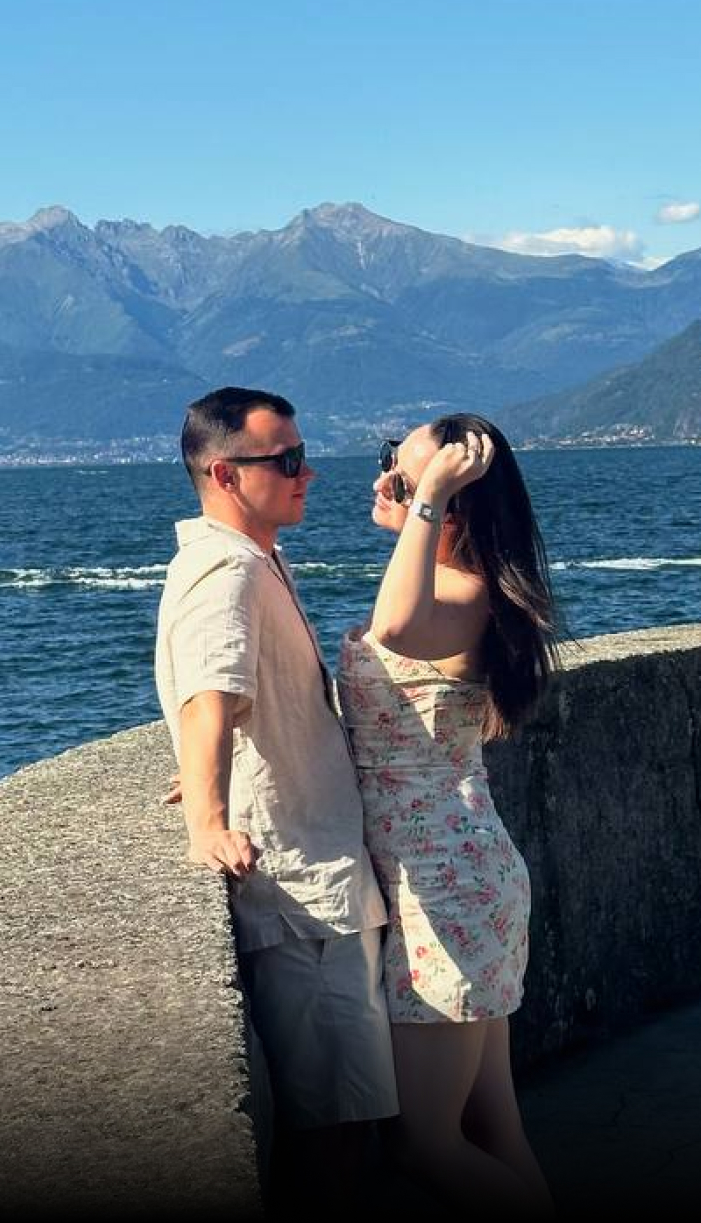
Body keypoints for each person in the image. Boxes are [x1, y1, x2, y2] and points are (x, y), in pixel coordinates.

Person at [154, 385, 398, 1197]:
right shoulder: (225, 572)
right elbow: (210, 694)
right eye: (287, 460)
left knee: (344, 1115)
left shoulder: (251, 560)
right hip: (303, 892)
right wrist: (206, 820)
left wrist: (201, 774)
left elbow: (236, 704)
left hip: (318, 882)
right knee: (336, 1125)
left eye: (302, 455)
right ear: (225, 474)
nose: (307, 473)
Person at [336, 412, 557, 1215]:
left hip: (446, 888)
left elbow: (395, 628)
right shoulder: (459, 592)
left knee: (424, 1144)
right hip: (451, 876)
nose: (381, 482)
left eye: (398, 475)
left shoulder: (465, 598)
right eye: (389, 464)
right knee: (491, 1128)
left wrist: (425, 495)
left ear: (453, 503)